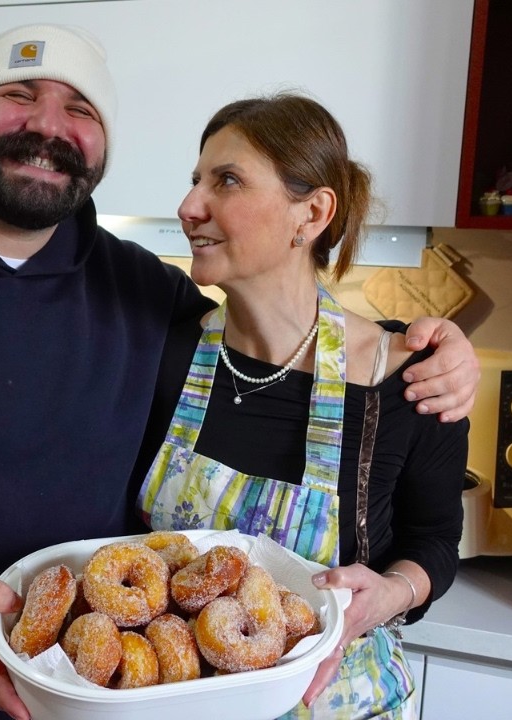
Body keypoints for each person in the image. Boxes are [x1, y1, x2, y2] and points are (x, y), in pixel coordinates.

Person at [0, 25, 477, 720]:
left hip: (112, 706)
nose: (45, 125)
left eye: (81, 109)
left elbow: (284, 335)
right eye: (18, 93)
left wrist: (434, 345)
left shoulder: (143, 293)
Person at [136, 93, 469, 719]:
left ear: (311, 213)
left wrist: (389, 593)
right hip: (173, 700)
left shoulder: (405, 380)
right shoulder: (165, 349)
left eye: (226, 180)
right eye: (194, 180)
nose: (188, 207)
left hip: (332, 703)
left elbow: (435, 541)